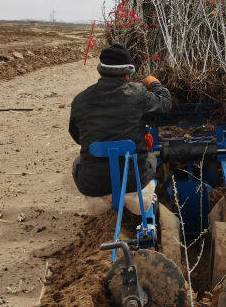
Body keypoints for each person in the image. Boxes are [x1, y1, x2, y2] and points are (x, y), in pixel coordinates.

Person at [68, 43, 172, 206]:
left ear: (100, 71)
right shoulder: (138, 93)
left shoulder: (80, 100)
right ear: (127, 74)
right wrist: (154, 83)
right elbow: (165, 103)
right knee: (151, 156)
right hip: (133, 182)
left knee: (77, 162)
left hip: (92, 185)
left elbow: (78, 137)